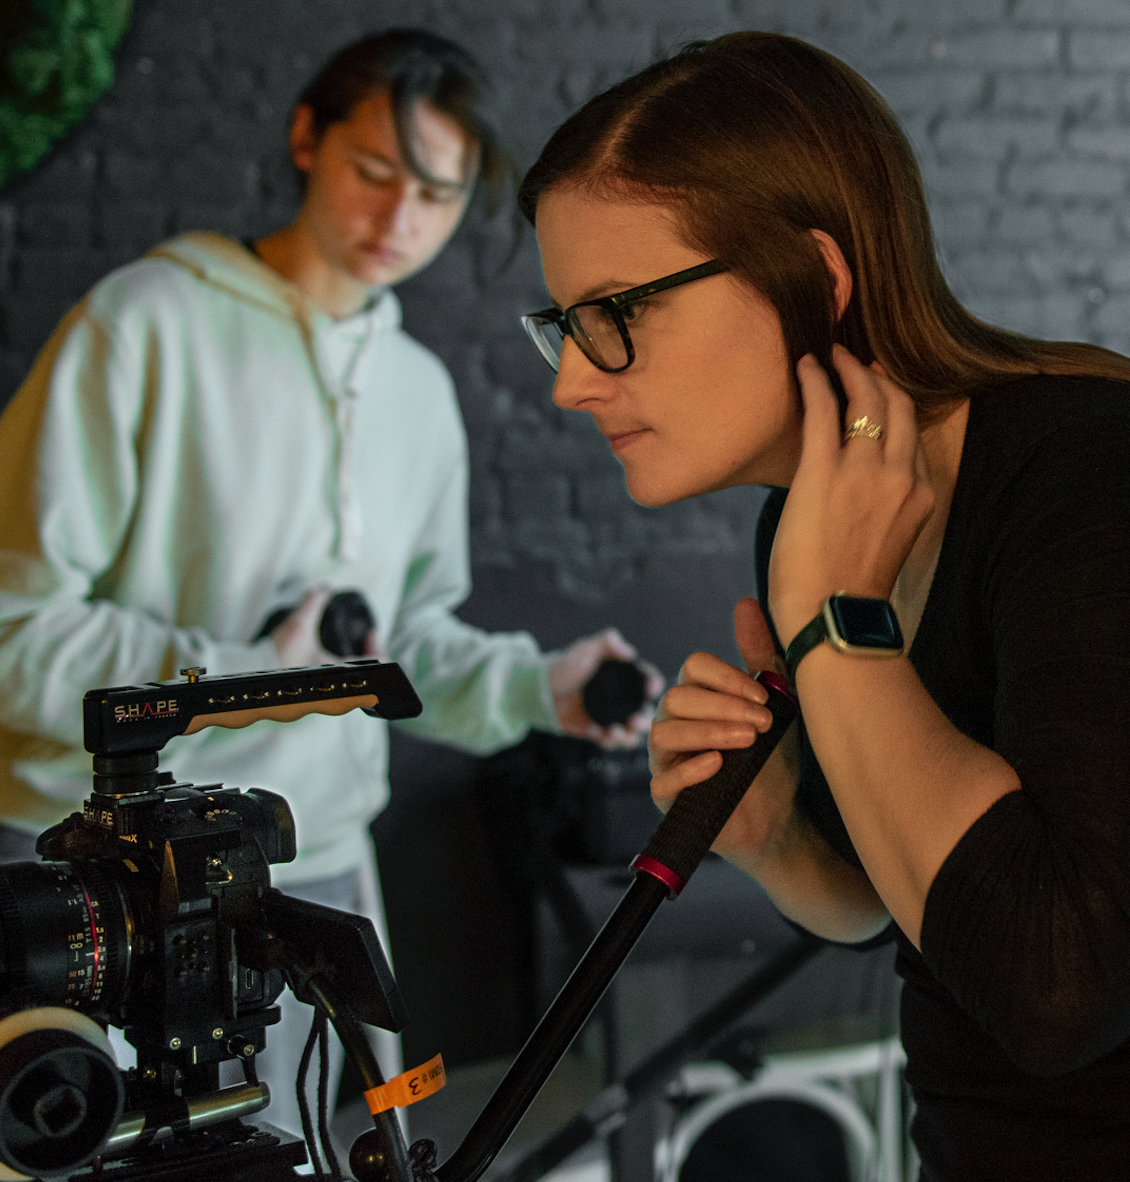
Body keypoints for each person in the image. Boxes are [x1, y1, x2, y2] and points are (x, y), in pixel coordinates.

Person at [0, 28, 658, 1146]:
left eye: (437, 195)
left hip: (308, 876)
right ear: (307, 138)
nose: (398, 218)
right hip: (91, 886)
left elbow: (392, 663)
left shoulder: (416, 392)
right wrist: (244, 677)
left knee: (332, 1153)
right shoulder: (143, 323)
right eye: (375, 172)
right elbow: (15, 632)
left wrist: (541, 689)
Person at [516, 31, 1130, 1182]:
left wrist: (829, 621)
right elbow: (909, 905)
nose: (570, 379)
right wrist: (772, 838)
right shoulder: (803, 520)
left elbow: (1056, 988)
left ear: (813, 279)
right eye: (562, 323)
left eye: (615, 313)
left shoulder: (1086, 475)